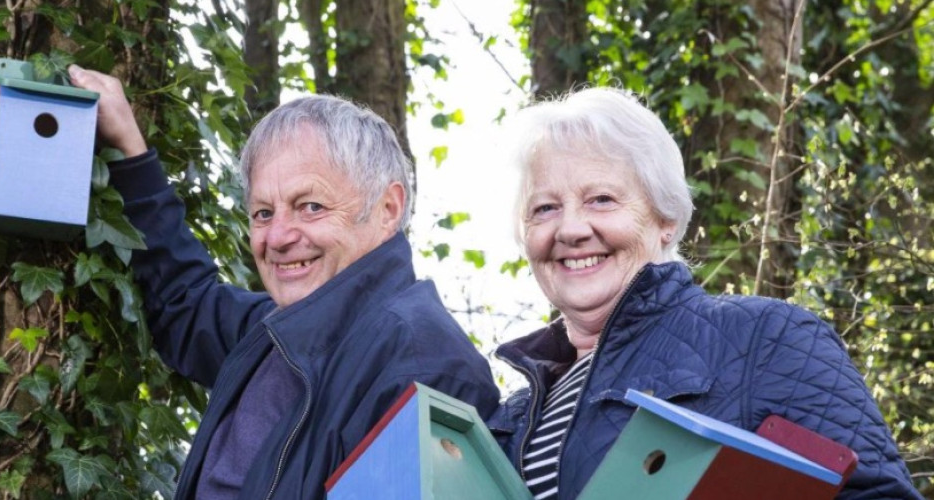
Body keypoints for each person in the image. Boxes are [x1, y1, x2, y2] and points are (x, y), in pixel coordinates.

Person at [68, 65, 500, 500]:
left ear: (387, 209)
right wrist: (129, 152)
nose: (278, 237)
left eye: (310, 206)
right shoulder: (277, 330)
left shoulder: (425, 366)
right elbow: (187, 304)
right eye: (263, 213)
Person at [486, 87, 920, 499]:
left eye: (601, 199)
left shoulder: (765, 341)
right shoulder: (509, 420)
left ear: (665, 218)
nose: (572, 229)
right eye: (545, 208)